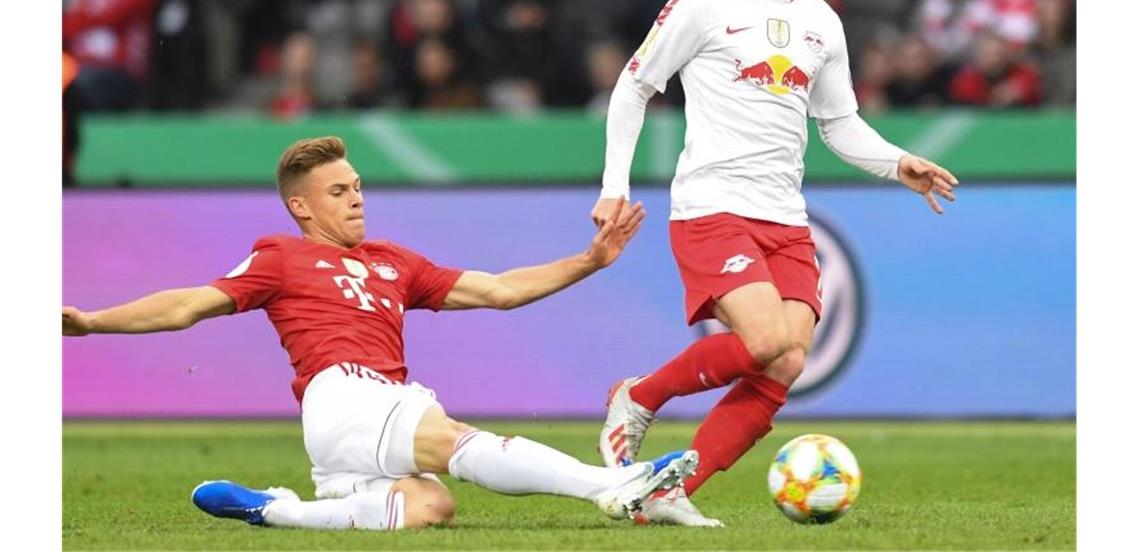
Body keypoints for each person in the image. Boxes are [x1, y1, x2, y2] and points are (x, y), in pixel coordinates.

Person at [62, 136, 697, 532]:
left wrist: (587, 262)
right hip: (342, 394)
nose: (356, 199)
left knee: (428, 506)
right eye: (338, 192)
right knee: (456, 440)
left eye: (358, 187)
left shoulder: (394, 262)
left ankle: (276, 509)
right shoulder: (280, 256)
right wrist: (92, 322)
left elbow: (499, 290)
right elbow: (187, 305)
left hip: (363, 420)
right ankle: (614, 487)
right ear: (301, 207)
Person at [591, 0, 958, 527]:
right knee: (762, 339)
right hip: (711, 206)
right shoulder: (701, 5)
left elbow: (838, 122)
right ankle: (639, 397)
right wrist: (614, 185)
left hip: (785, 217)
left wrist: (895, 162)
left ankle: (669, 491)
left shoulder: (822, 23)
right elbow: (634, 85)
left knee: (788, 358)